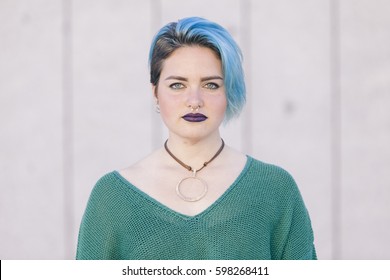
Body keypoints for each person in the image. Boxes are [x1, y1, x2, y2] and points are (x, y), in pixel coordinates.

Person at [76, 17, 317, 260]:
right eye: (177, 85)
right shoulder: (112, 197)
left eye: (211, 85)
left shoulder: (274, 189)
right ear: (155, 93)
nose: (194, 100)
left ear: (229, 91)